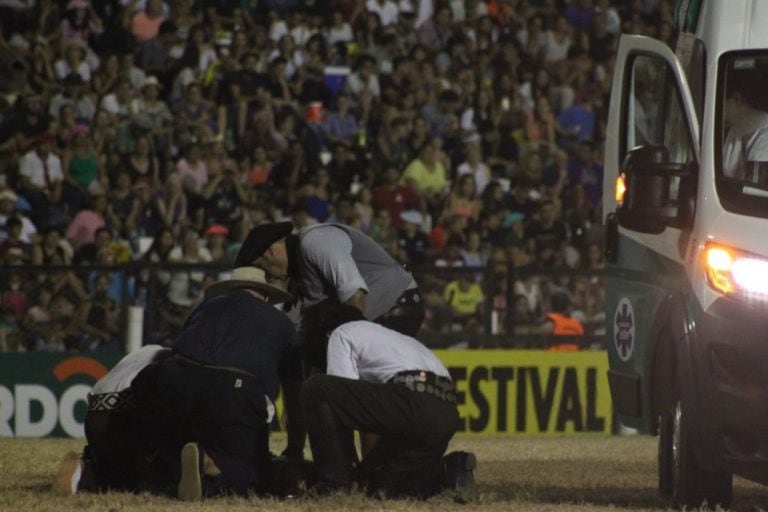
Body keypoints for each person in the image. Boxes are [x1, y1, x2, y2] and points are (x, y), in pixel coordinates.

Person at [300, 300, 476, 498]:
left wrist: (351, 472)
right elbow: (376, 409)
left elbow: (346, 412)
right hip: (445, 412)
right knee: (383, 486)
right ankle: (450, 470)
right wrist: (367, 473)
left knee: (317, 388)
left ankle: (334, 485)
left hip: (412, 399)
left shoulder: (341, 333)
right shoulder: (395, 338)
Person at [234, 221, 424, 337]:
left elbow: (355, 297)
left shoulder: (316, 241)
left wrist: (345, 346)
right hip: (374, 317)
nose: (269, 277)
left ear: (271, 251)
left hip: (395, 308)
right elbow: (297, 325)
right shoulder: (299, 272)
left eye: (262, 267)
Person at [53, 345, 173, 495]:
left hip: (95, 415)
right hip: (128, 412)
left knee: (111, 466)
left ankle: (85, 471)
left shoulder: (147, 350)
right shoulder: (179, 361)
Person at [722, 67, 768, 182]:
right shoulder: (735, 130)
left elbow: (752, 191)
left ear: (736, 99)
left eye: (721, 102)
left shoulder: (765, 137)